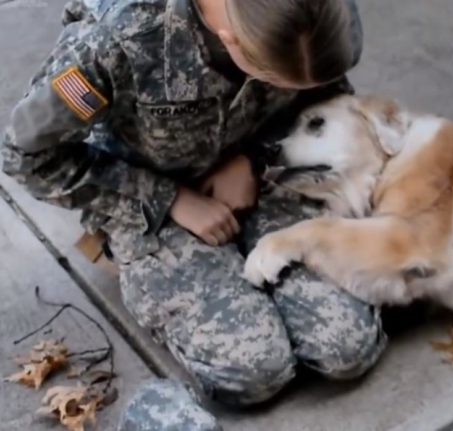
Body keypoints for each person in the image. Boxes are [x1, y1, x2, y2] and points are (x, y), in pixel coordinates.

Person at [1, 0, 386, 412]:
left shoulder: (320, 15)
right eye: (275, 79)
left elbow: (327, 93)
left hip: (267, 167)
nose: (290, 91)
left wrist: (255, 160)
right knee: (256, 374)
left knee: (348, 348)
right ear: (230, 41)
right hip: (152, 200)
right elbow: (25, 156)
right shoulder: (115, 41)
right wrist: (170, 200)